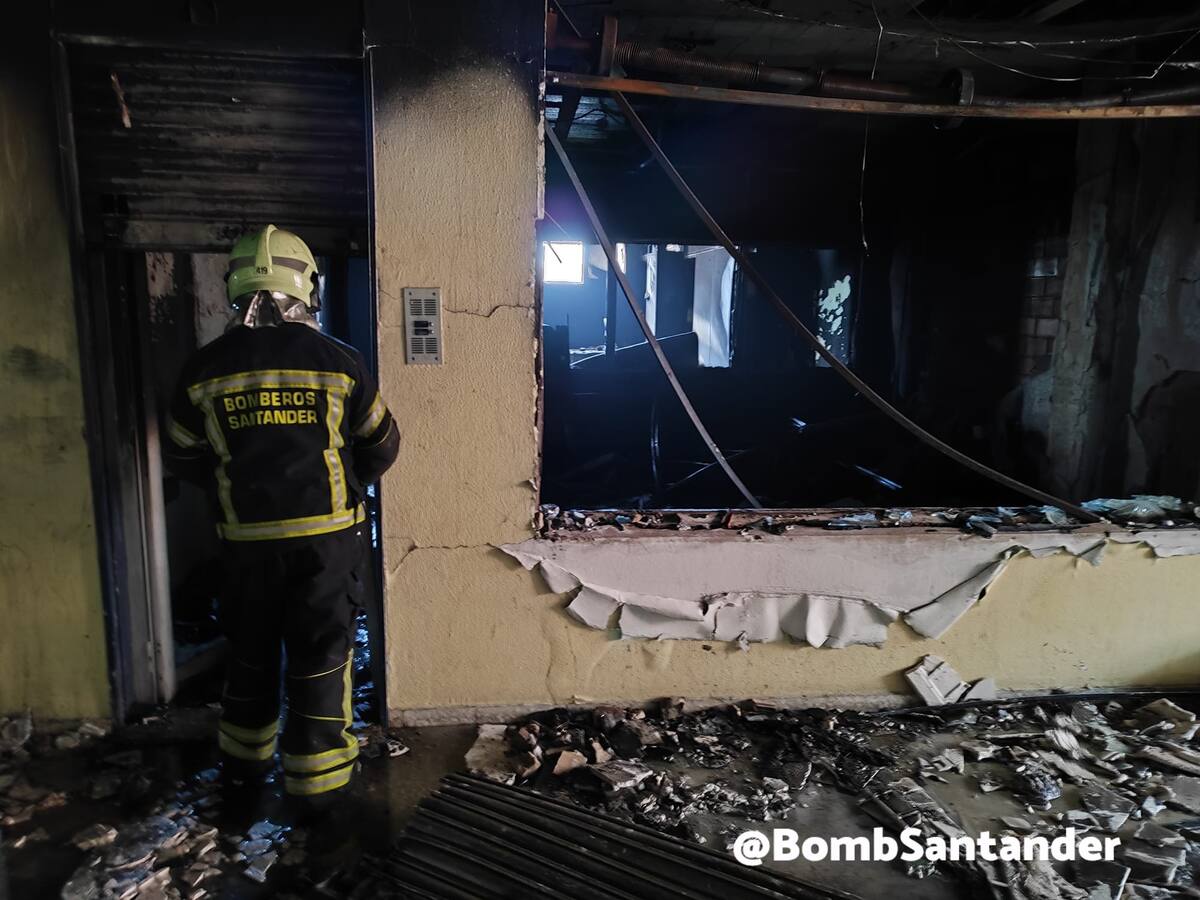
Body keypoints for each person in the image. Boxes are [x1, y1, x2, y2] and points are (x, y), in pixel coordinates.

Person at [163, 225, 399, 805]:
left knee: (250, 654)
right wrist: (342, 484)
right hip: (327, 544)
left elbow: (182, 454)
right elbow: (382, 445)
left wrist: (232, 488)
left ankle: (243, 775)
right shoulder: (340, 362)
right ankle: (319, 790)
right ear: (307, 285)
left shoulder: (203, 369)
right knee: (323, 658)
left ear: (235, 286)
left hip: (245, 546)